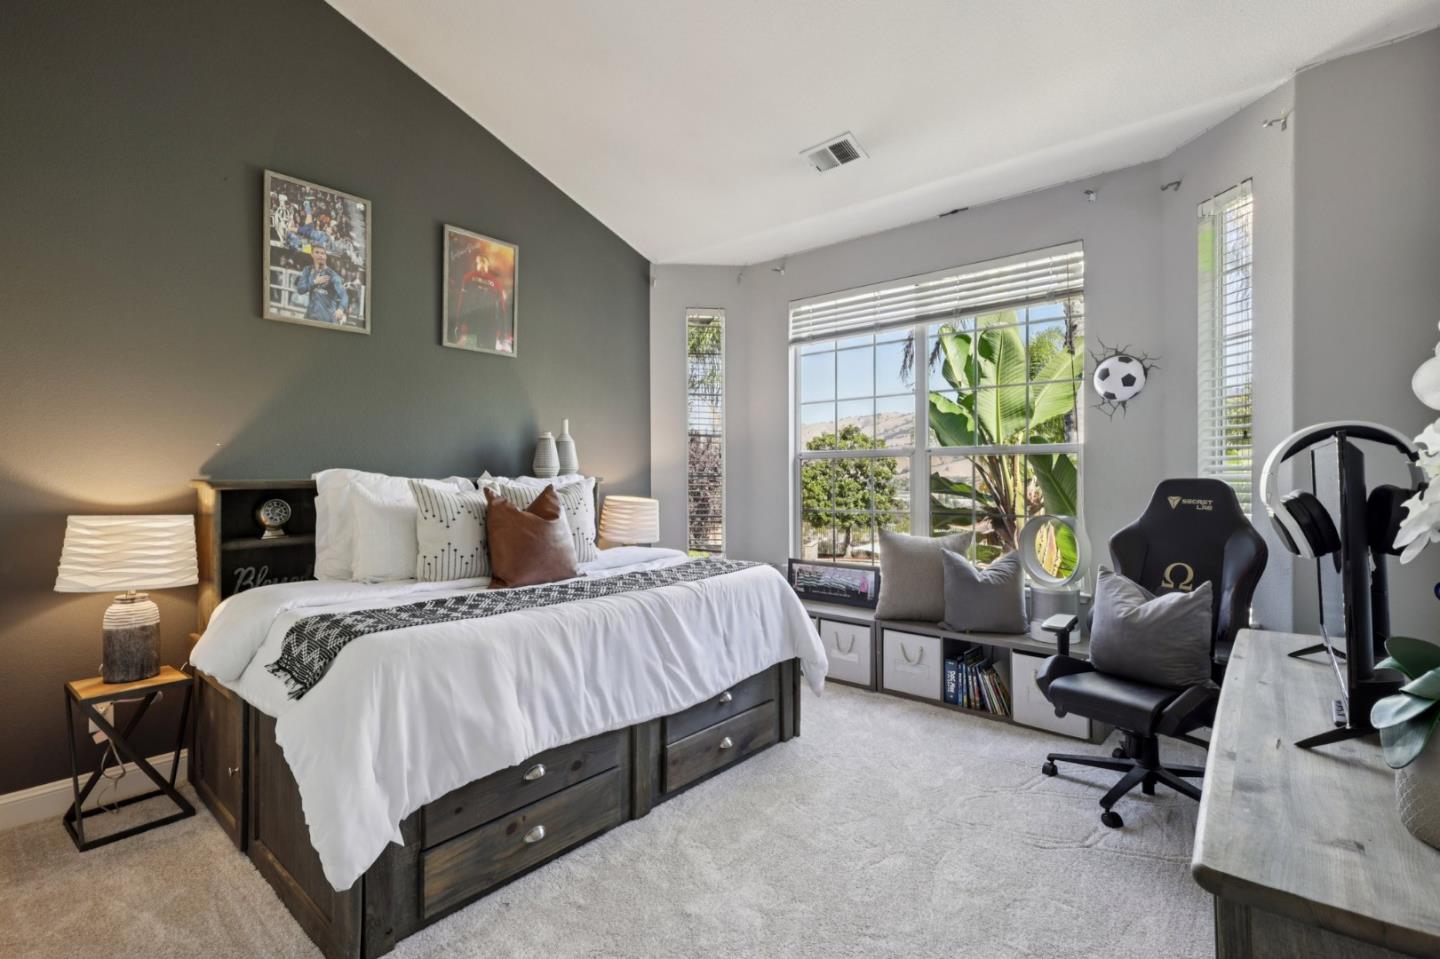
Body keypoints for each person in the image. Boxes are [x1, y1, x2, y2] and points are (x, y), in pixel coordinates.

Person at [296, 244, 349, 324]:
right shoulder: (308, 270)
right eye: (317, 252)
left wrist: (340, 309)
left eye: (322, 253)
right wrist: (314, 282)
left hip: (327, 320)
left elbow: (344, 296)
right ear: (312, 254)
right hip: (310, 318)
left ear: (326, 256)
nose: (320, 255)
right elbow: (300, 289)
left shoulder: (333, 275)